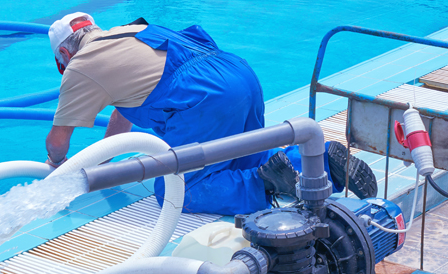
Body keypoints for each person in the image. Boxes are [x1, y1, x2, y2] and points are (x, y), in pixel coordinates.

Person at [45, 12, 377, 215]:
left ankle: (265, 184)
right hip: (238, 74)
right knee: (244, 158)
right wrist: (102, 164)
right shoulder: (129, 33)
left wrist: (59, 168)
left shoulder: (82, 66)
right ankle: (314, 160)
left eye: (63, 66)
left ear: (64, 52)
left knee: (178, 190)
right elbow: (122, 117)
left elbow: (58, 142)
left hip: (201, 98)